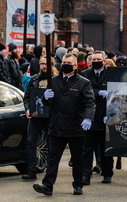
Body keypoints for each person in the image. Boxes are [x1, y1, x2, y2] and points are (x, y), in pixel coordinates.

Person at [33, 53, 95, 196]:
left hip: (75, 127)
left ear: (75, 66)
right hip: (56, 127)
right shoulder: (53, 81)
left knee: (77, 159)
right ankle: (47, 185)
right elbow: (46, 103)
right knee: (52, 159)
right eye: (64, 62)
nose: (65, 64)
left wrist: (88, 118)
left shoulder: (83, 82)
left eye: (69, 63)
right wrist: (44, 98)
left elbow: (89, 103)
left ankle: (78, 184)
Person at [80, 50, 114, 185]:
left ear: (104, 61)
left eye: (98, 59)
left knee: (106, 147)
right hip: (90, 117)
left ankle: (107, 173)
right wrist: (98, 92)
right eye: (93, 60)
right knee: (87, 148)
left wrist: (110, 114)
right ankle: (85, 175)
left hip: (106, 115)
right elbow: (84, 92)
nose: (95, 62)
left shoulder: (111, 74)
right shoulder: (85, 75)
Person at [21, 57, 57, 180]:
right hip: (35, 115)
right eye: (42, 63)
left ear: (51, 65)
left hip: (50, 117)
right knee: (31, 141)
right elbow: (27, 97)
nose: (44, 66)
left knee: (52, 143)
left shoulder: (56, 80)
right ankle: (31, 170)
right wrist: (27, 109)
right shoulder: (34, 79)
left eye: (46, 64)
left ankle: (50, 172)